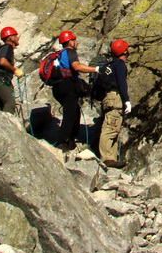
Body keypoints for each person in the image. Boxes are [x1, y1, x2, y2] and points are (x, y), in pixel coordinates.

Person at [51, 30, 100, 150]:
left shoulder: (59, 54)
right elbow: (77, 67)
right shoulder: (70, 52)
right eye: (75, 40)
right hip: (67, 86)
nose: (77, 42)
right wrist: (96, 69)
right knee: (70, 114)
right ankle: (62, 142)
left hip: (58, 87)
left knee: (74, 112)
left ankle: (71, 140)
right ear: (70, 42)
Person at [98, 39, 132, 169]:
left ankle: (111, 158)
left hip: (107, 97)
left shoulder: (109, 65)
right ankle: (106, 158)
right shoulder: (119, 65)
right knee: (111, 126)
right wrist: (126, 100)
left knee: (113, 125)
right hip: (115, 97)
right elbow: (121, 83)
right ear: (124, 51)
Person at [0, 26, 23, 113]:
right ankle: (7, 125)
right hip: (0, 80)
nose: (17, 38)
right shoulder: (7, 47)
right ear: (10, 37)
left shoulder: (2, 49)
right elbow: (3, 62)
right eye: (15, 36)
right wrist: (15, 70)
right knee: (10, 103)